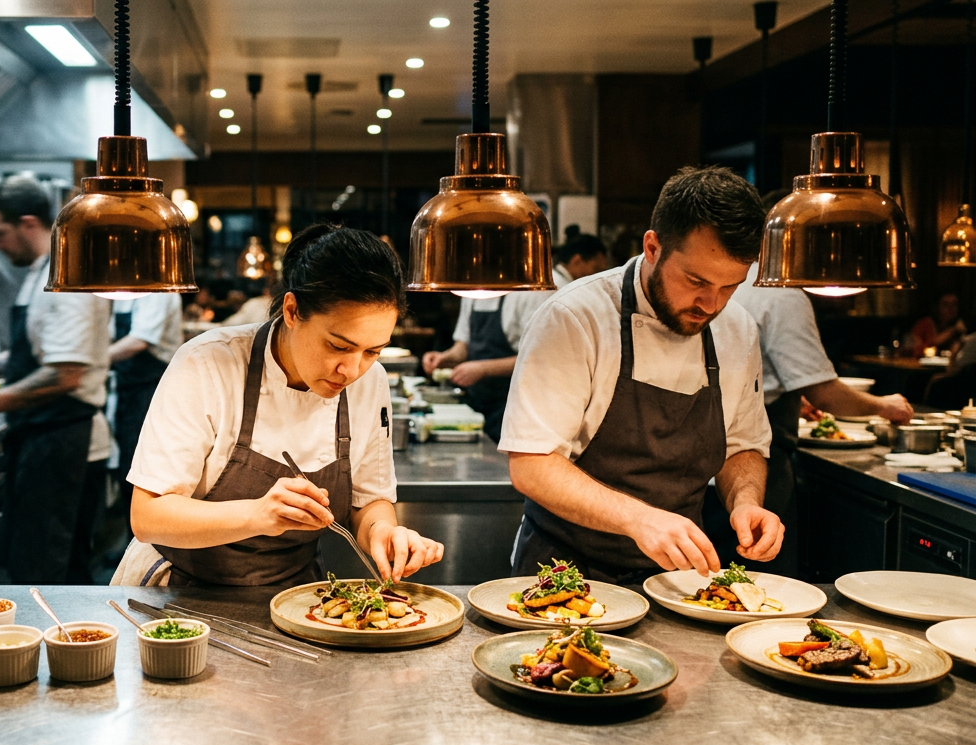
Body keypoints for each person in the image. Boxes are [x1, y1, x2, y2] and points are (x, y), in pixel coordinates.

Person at [111, 224, 444, 586]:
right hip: (177, 589)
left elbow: (368, 501)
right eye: (338, 346)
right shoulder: (207, 363)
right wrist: (257, 514)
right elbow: (148, 517)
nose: (352, 370)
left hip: (293, 597)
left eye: (372, 351)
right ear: (291, 311)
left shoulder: (370, 380)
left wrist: (382, 531)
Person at [502, 167, 782, 582]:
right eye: (695, 281)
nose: (710, 304)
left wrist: (745, 501)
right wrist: (640, 520)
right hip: (564, 570)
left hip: (679, 577)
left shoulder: (737, 328)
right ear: (652, 247)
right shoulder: (575, 317)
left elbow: (741, 443)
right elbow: (531, 463)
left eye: (729, 287)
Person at [0, 176, 112, 584]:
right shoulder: (38, 272)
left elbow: (66, 374)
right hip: (41, 440)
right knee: (36, 568)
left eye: (0, 233)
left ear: (29, 223)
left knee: (52, 575)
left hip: (66, 443)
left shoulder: (67, 275)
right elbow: (41, 353)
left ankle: (62, 648)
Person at [717, 259, 913, 575]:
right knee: (761, 578)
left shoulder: (726, 281)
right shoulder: (781, 293)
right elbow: (824, 391)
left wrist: (794, 395)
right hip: (758, 463)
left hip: (714, 478)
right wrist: (882, 405)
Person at [421, 236, 610, 441]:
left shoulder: (532, 292)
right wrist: (444, 358)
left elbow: (539, 357)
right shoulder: (474, 291)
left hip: (515, 404)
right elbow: (463, 346)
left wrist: (482, 369)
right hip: (476, 402)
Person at [104, 293, 184, 559]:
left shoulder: (159, 289)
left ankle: (148, 553)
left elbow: (139, 341)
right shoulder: (119, 292)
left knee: (148, 478)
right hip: (129, 391)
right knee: (128, 470)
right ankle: (131, 550)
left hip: (153, 389)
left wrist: (91, 361)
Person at [906, 293, 965, 357]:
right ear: (936, 307)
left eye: (954, 304)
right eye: (945, 305)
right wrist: (952, 331)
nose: (951, 308)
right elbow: (915, 350)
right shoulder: (924, 324)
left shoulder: (960, 325)